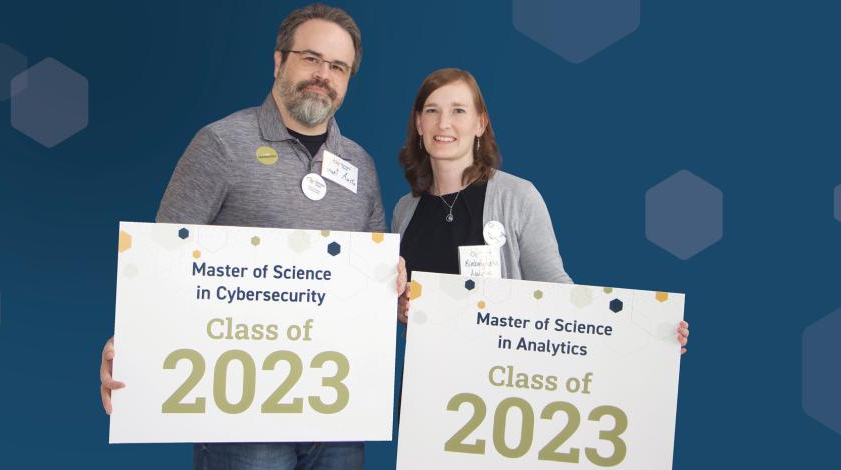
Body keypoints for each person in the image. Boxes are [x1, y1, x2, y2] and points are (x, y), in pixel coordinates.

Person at [99, 4, 405, 469]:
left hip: (336, 410)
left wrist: (393, 280)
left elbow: (369, 277)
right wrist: (128, 341)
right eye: (311, 58)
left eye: (338, 67)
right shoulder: (221, 144)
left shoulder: (360, 165)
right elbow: (163, 259)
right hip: (240, 415)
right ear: (279, 61)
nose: (323, 75)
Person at [391, 68, 689, 352]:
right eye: (432, 110)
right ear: (419, 124)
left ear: (480, 123)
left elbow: (560, 295)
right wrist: (402, 309)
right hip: (427, 386)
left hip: (498, 384)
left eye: (458, 110)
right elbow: (399, 302)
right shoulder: (404, 212)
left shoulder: (516, 197)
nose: (443, 123)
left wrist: (647, 337)